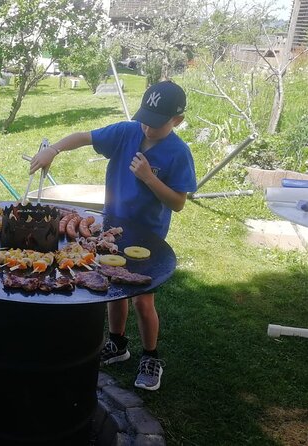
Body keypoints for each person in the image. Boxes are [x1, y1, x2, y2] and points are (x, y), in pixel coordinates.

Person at [30, 81, 197, 391]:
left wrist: (148, 178)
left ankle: (151, 355)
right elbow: (83, 137)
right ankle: (118, 344)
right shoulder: (126, 132)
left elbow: (178, 203)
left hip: (147, 238)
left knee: (142, 301)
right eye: (145, 118)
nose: (147, 128)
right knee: (111, 287)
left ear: (177, 121)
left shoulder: (178, 153)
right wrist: (53, 150)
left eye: (157, 124)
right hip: (111, 230)